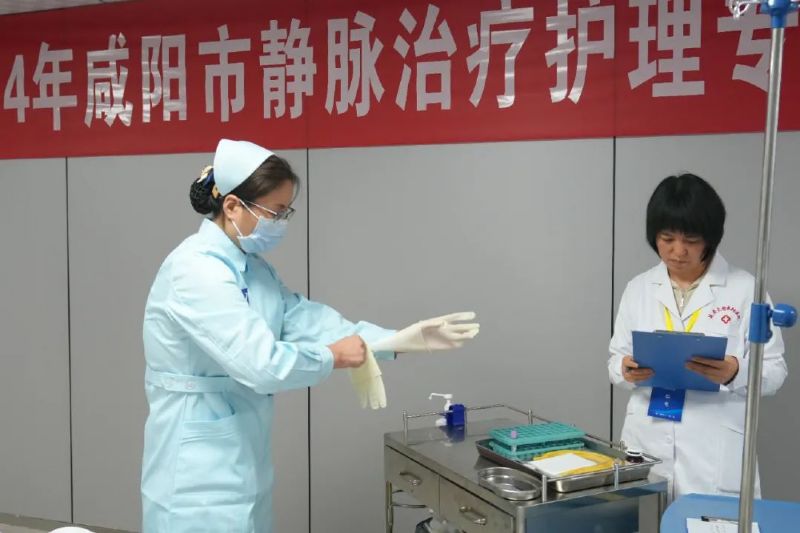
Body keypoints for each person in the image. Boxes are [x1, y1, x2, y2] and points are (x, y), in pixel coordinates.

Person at [140, 139, 479, 532]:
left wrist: (398, 340)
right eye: (275, 212)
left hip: (241, 463)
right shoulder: (195, 271)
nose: (280, 223)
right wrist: (333, 356)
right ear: (232, 206)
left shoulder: (254, 270)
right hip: (193, 476)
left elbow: (307, 320)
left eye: (286, 212)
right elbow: (260, 364)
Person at [608, 173, 787, 500]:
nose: (678, 251)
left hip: (712, 452)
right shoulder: (638, 288)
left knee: (711, 519)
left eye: (690, 240)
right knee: (645, 515)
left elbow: (775, 371)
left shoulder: (746, 290)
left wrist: (736, 371)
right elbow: (615, 359)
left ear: (710, 238)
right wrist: (624, 369)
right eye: (666, 238)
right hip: (646, 440)